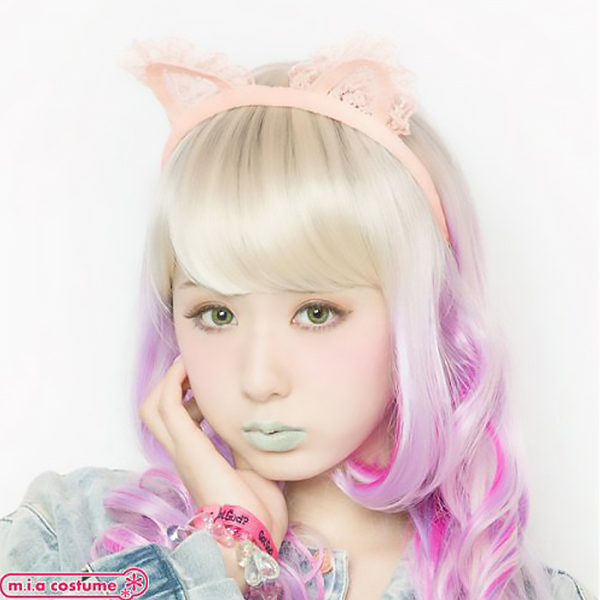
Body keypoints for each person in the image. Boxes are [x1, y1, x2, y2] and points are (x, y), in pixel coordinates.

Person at [0, 34, 595, 600]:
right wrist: (223, 554)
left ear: (418, 319)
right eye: (216, 314)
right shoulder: (68, 536)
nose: (259, 379)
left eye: (315, 312)